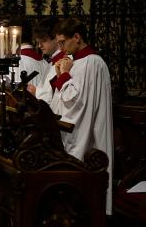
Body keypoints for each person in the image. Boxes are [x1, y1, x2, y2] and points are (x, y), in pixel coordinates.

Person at [48, 18, 114, 214]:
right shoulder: (75, 61)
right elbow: (61, 97)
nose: (59, 47)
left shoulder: (93, 63)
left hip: (85, 134)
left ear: (77, 37)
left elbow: (78, 103)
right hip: (68, 127)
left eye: (62, 42)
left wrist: (63, 76)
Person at [28, 19, 66, 98]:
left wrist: (36, 92)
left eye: (43, 41)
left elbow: (57, 95)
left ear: (56, 38)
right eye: (38, 42)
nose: (39, 46)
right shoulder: (51, 62)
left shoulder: (64, 61)